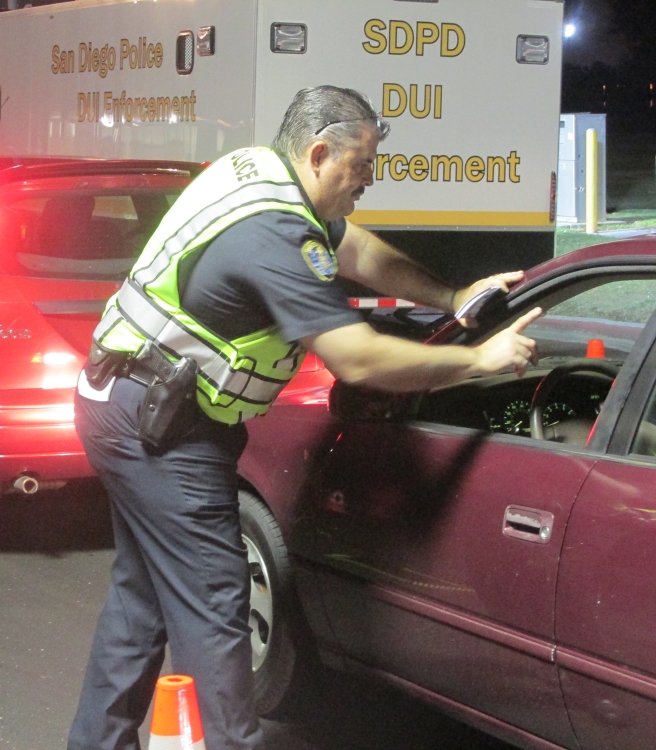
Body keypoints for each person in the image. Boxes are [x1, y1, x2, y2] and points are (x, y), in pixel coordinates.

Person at [67, 86, 541, 750]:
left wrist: (452, 295)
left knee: (142, 595)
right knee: (214, 602)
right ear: (319, 153)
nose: (370, 180)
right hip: (161, 425)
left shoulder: (265, 175)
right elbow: (358, 359)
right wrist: (480, 362)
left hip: (127, 402)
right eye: (363, 164)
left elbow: (359, 252)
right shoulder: (275, 232)